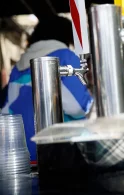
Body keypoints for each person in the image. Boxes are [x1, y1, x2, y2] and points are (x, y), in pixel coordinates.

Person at [1, 16, 93, 162]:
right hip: (61, 153)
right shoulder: (65, 57)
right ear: (66, 36)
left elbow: (8, 110)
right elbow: (78, 107)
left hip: (23, 155)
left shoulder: (18, 67)